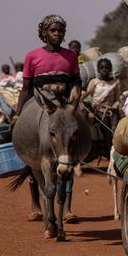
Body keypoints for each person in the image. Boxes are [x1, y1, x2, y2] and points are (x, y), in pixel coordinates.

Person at [15, 14, 81, 223]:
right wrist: (17, 114)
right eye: (53, 30)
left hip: (65, 104)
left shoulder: (71, 57)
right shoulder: (32, 56)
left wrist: (75, 96)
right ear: (44, 33)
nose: (57, 34)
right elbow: (26, 89)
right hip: (40, 103)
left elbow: (77, 82)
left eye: (60, 31)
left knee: (79, 129)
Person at [84, 57, 121, 130]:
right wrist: (93, 107)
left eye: (107, 68)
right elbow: (87, 98)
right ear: (98, 69)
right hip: (96, 110)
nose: (104, 70)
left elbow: (117, 99)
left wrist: (114, 107)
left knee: (116, 127)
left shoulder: (116, 82)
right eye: (102, 68)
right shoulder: (94, 82)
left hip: (111, 110)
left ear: (110, 69)